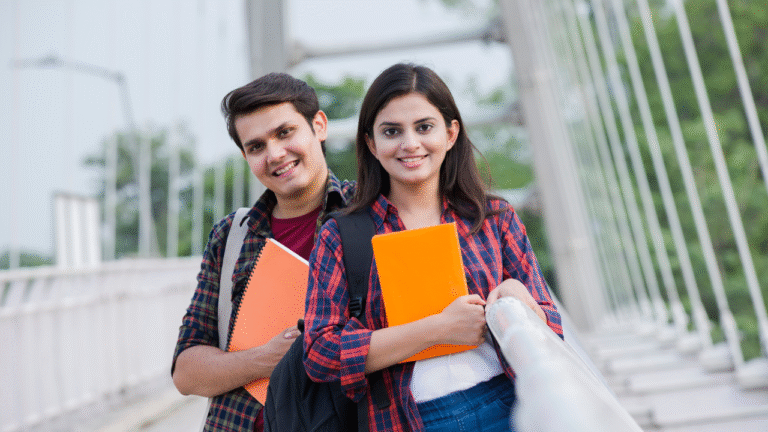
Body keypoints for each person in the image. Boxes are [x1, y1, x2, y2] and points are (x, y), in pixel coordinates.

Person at [302, 63, 563, 432]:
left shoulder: (494, 218)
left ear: (451, 132)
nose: (410, 144)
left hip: (508, 405)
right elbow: (320, 353)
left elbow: (552, 328)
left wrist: (519, 297)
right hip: (409, 420)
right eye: (392, 131)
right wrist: (437, 329)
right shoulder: (341, 237)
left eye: (424, 127)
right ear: (372, 144)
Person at [172, 73, 355, 432]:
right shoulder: (231, 236)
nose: (274, 154)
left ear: (318, 125)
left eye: (285, 133)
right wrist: (264, 360)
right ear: (245, 156)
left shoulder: (369, 215)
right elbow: (186, 372)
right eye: (256, 146)